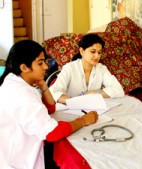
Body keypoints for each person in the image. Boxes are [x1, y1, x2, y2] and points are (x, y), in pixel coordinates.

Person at [0, 40, 98, 168]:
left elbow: (50, 108)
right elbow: (52, 133)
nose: (46, 67)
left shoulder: (15, 81)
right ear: (24, 67)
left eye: (45, 61)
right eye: (40, 63)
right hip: (18, 160)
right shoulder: (22, 94)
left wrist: (43, 84)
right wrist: (83, 121)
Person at [49, 33, 125, 104]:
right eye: (93, 52)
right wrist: (76, 101)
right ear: (82, 51)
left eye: (99, 52)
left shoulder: (101, 69)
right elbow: (53, 93)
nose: (97, 56)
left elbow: (118, 90)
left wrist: (93, 93)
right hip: (70, 110)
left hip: (94, 109)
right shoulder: (69, 68)